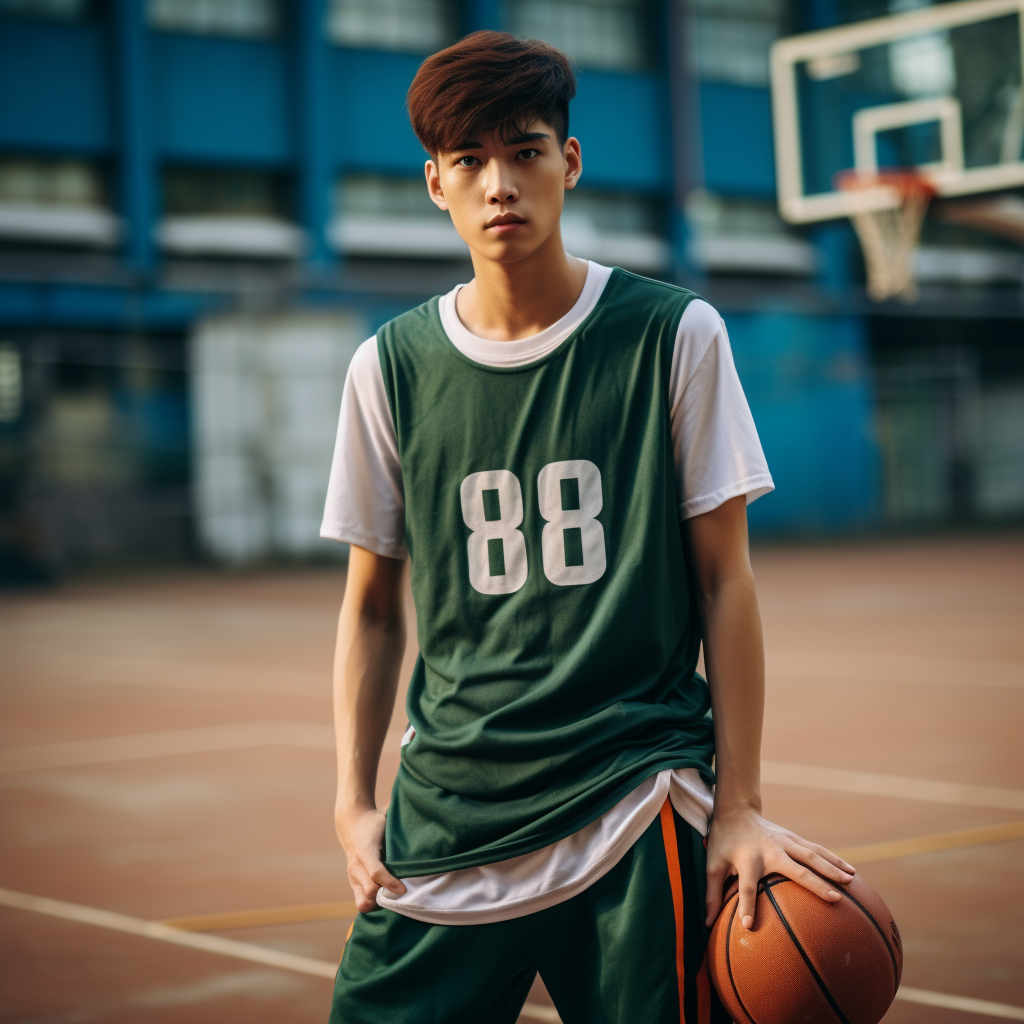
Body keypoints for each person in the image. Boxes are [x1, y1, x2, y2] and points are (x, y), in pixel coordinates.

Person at [321, 30, 855, 1024]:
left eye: (523, 151)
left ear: (568, 163)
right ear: (434, 183)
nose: (499, 185)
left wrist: (736, 802)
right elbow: (373, 601)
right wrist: (353, 798)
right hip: (451, 807)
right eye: (470, 161)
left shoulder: (672, 333)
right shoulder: (387, 368)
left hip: (632, 800)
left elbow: (725, 579)